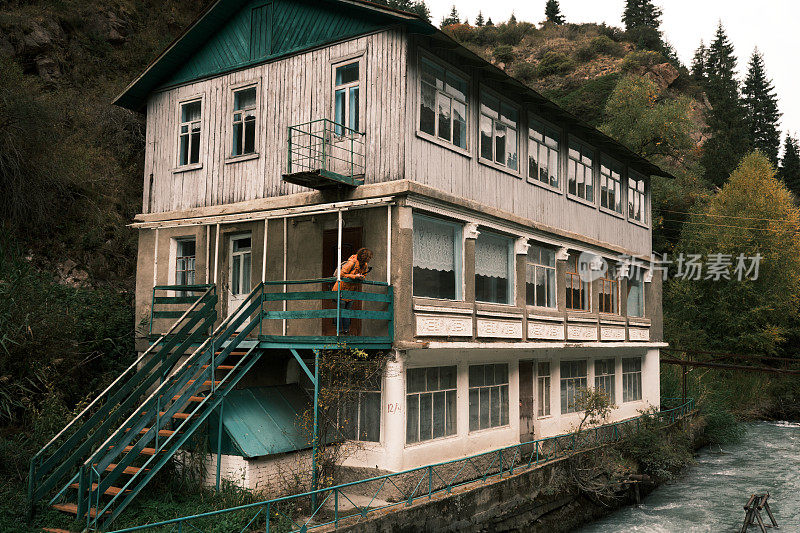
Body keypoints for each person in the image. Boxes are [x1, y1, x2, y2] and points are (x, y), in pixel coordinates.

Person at [332, 247, 373, 335]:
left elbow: (364, 274)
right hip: (341, 289)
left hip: (350, 291)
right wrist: (355, 276)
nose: (369, 259)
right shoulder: (351, 263)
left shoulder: (364, 265)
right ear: (364, 257)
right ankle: (338, 331)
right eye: (368, 257)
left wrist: (362, 277)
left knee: (348, 311)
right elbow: (341, 274)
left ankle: (346, 331)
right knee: (341, 310)